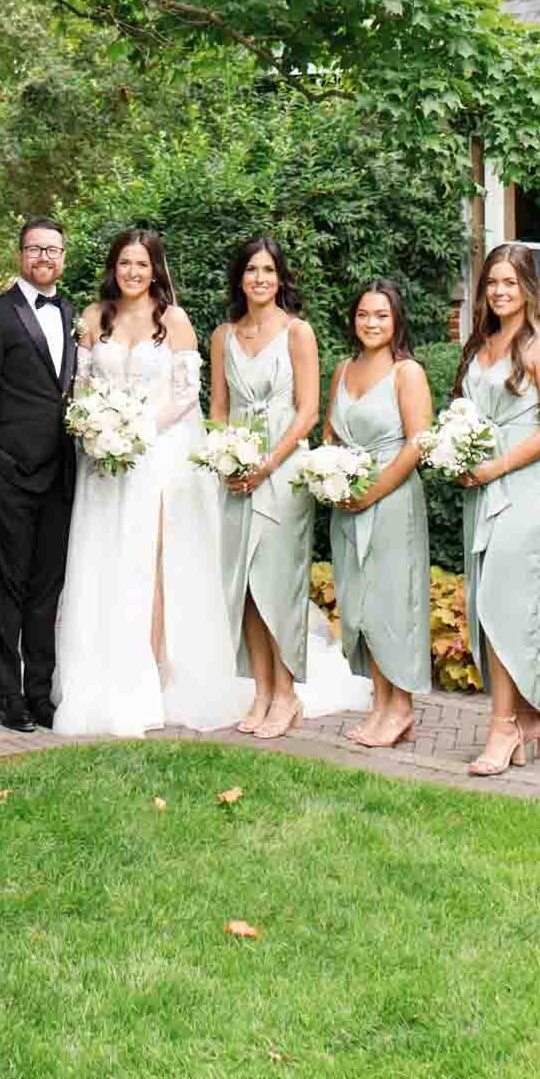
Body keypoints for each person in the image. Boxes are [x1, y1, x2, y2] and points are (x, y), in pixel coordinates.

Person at [52, 228, 250, 736]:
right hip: (103, 460)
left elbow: (187, 394)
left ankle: (156, 673)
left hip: (158, 456)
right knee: (103, 556)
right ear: (114, 267)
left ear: (156, 268)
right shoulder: (96, 318)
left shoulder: (174, 320)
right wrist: (99, 428)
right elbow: (81, 387)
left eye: (142, 264)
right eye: (124, 263)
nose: (133, 273)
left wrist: (137, 430)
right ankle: (100, 668)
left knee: (152, 558)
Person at [454, 241, 540, 776]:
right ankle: (525, 720)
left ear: (528, 288)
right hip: (480, 487)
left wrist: (495, 468)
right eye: (492, 283)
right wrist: (457, 451)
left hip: (521, 489)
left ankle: (503, 728)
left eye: (509, 282)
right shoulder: (479, 344)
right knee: (484, 603)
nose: (500, 292)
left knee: (508, 603)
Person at [0, 218, 78, 732]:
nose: (44, 258)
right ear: (20, 255)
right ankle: (8, 693)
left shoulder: (72, 314)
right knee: (7, 586)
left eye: (53, 250)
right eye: (35, 249)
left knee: (46, 587)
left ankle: (39, 691)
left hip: (61, 474)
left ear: (64, 257)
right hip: (7, 473)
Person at [211, 236, 321, 738]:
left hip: (282, 475)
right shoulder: (223, 336)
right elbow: (217, 408)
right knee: (247, 589)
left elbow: (308, 411)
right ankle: (260, 691)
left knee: (279, 585)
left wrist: (268, 464)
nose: (259, 278)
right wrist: (225, 460)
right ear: (240, 277)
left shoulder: (298, 333)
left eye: (268, 271)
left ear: (280, 279)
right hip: (236, 476)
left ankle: (287, 693)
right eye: (251, 270)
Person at [325, 278, 432, 749]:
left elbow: (418, 443)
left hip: (392, 503)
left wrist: (372, 493)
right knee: (360, 603)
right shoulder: (342, 369)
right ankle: (379, 704)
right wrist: (331, 473)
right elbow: (330, 433)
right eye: (364, 314)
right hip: (348, 502)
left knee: (393, 602)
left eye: (381, 316)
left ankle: (401, 707)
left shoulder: (407, 372)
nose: (371, 323)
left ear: (396, 320)